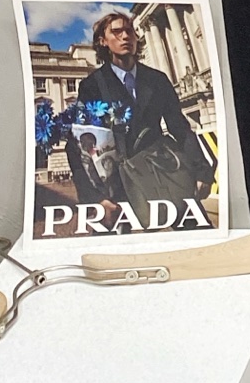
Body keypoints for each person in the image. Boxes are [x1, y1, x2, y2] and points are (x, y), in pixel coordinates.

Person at [78, 11, 215, 228]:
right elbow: (81, 144)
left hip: (165, 169)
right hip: (118, 184)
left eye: (129, 31)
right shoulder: (92, 85)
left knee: (199, 232)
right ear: (103, 41)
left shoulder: (157, 79)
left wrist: (202, 172)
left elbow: (180, 128)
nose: (125, 36)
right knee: (116, 244)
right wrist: (95, 198)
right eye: (117, 32)